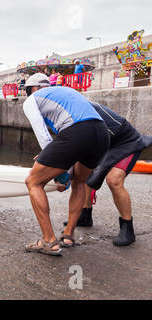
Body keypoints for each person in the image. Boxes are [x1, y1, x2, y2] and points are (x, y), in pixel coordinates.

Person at [22, 73, 110, 256]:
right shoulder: (66, 91)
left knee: (33, 182)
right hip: (102, 133)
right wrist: (63, 167)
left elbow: (43, 136)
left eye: (28, 91)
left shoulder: (32, 100)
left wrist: (61, 175)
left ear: (33, 89)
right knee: (80, 182)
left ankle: (48, 241)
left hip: (78, 131)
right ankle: (69, 235)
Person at [63, 101, 152, 246]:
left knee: (114, 181)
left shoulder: (85, 109)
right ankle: (85, 215)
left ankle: (127, 227)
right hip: (104, 144)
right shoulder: (68, 115)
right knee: (82, 175)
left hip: (126, 142)